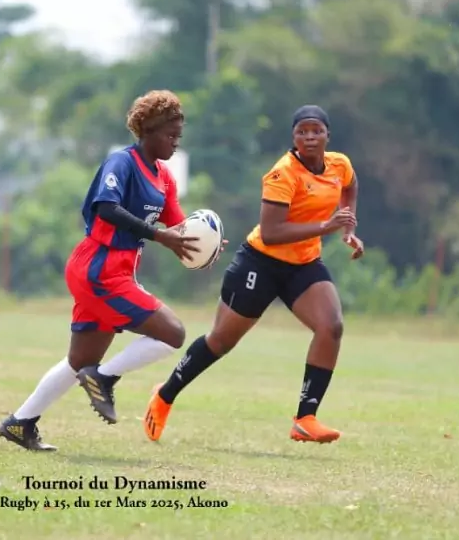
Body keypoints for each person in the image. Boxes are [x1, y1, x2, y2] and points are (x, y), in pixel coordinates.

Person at [143, 105, 365, 445]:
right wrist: (325, 226)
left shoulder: (340, 165)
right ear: (293, 137)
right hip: (260, 263)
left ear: (327, 135)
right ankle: (165, 395)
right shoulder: (282, 174)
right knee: (220, 341)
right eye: (302, 131)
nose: (309, 136)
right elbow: (273, 233)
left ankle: (305, 418)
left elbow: (350, 186)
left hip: (303, 263)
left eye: (315, 130)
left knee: (331, 326)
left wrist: (347, 226)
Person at [0, 90, 203, 451]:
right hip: (99, 267)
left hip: (116, 270)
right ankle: (104, 379)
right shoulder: (122, 163)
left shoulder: (164, 178)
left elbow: (179, 226)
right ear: (148, 131)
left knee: (80, 360)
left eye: (178, 137)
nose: (175, 142)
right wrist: (158, 235)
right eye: (170, 135)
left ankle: (20, 423)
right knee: (172, 333)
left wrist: (202, 243)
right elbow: (106, 208)